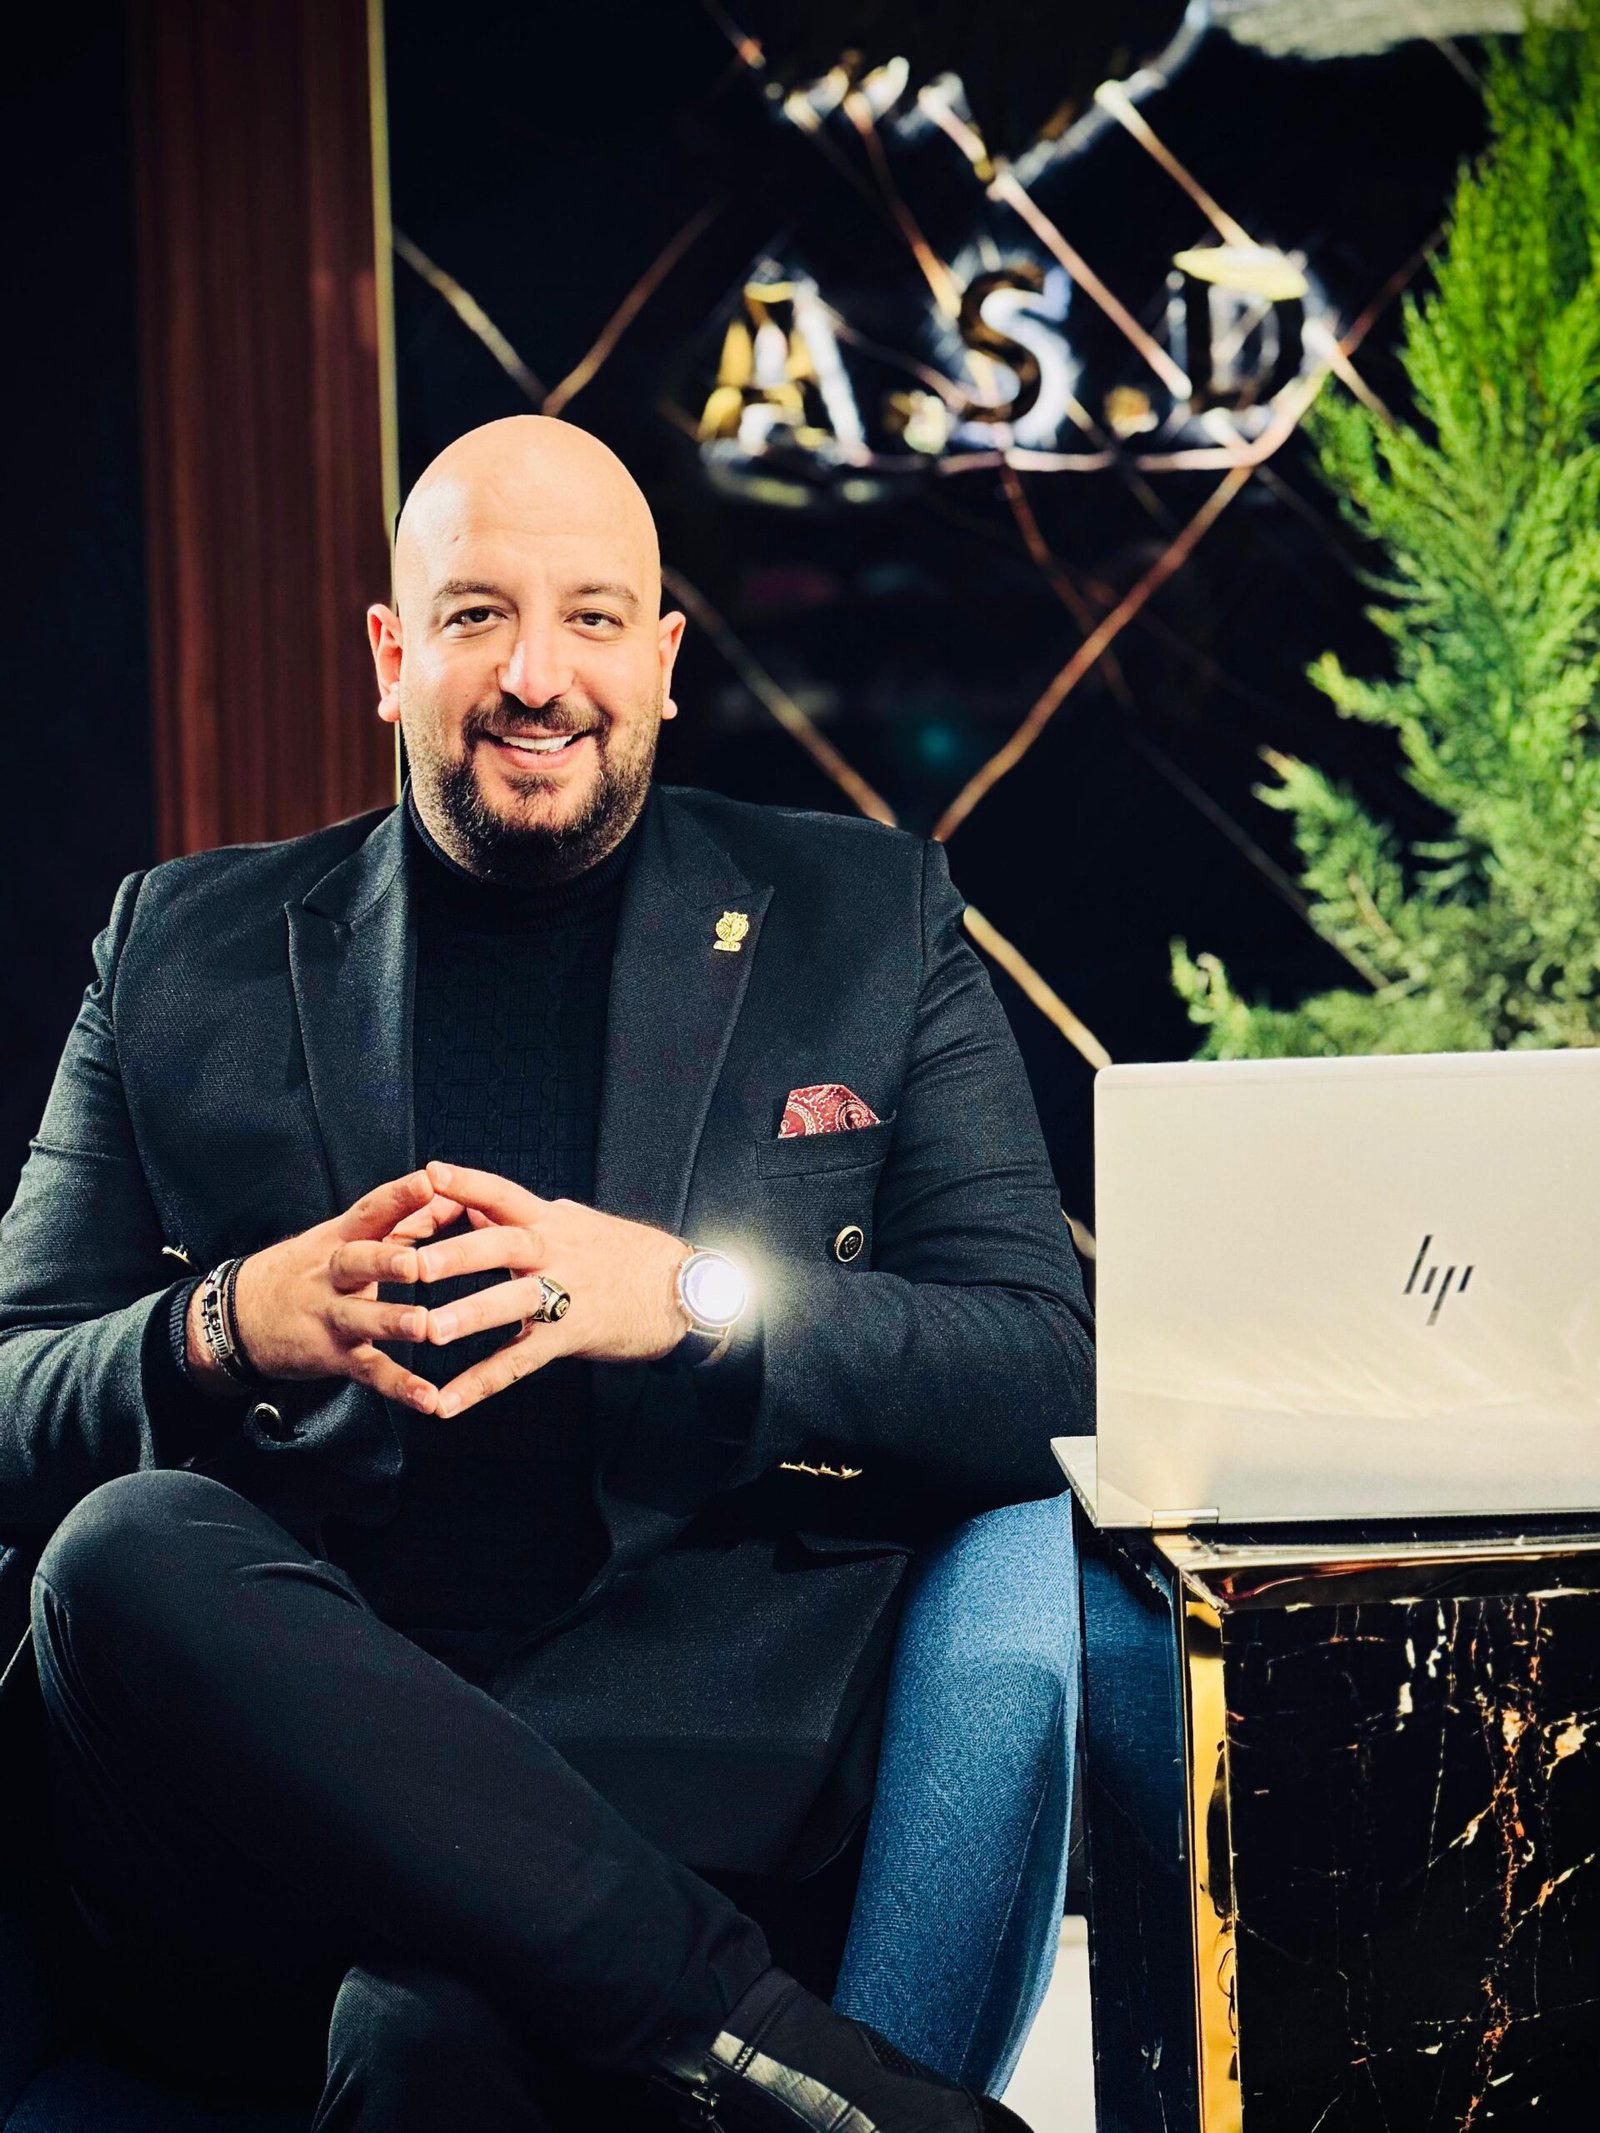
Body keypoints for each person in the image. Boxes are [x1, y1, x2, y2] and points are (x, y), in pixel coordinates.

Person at [0, 415, 1092, 2130]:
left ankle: (739, 2043)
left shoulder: (866, 920)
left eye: (591, 617)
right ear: (391, 655)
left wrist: (688, 1299)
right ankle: (803, 2066)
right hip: (268, 1815)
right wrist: (230, 1324)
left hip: (681, 1776)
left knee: (427, 2040)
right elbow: (11, 1388)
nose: (535, 675)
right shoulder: (175, 948)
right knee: (125, 1546)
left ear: (663, 661)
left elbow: (1040, 1369)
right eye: (476, 615)